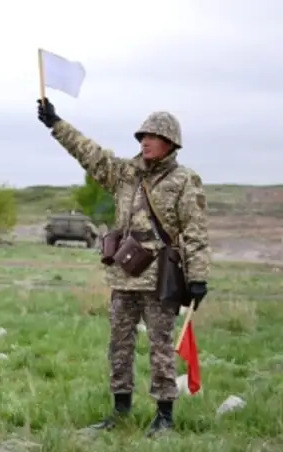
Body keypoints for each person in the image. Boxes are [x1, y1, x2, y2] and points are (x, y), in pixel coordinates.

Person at [36, 97, 211, 437]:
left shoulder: (184, 180)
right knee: (119, 345)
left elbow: (196, 231)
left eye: (153, 136)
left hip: (160, 278)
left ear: (170, 142)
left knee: (161, 346)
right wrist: (56, 124)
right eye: (142, 136)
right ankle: (120, 410)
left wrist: (198, 278)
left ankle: (164, 415)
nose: (145, 141)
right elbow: (88, 152)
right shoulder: (124, 173)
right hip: (124, 275)